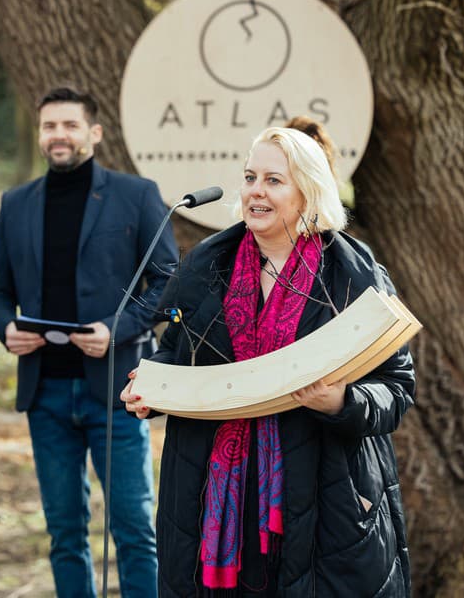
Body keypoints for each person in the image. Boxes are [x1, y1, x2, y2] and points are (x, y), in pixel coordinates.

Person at [121, 127, 415, 597]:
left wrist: (342, 401)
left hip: (327, 497)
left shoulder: (352, 273)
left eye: (274, 180)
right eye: (250, 177)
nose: (256, 191)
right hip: (214, 494)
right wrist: (149, 389)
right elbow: (175, 355)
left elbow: (397, 389)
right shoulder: (204, 266)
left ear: (309, 192)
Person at [0, 86, 178, 597]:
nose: (58, 135)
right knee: (64, 531)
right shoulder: (16, 203)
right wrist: (6, 327)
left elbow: (166, 282)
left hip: (114, 389)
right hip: (44, 392)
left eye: (69, 125)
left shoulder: (136, 194)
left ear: (94, 131)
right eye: (49, 126)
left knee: (134, 529)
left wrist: (117, 329)